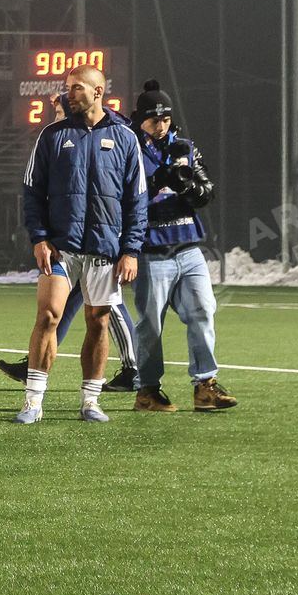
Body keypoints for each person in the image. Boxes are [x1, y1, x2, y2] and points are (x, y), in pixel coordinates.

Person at [15, 64, 146, 424]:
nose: (67, 94)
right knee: (48, 315)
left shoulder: (125, 138)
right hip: (61, 246)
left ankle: (90, 401)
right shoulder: (52, 135)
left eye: (76, 88)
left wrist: (130, 250)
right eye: (68, 87)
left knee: (98, 321)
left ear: (98, 92)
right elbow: (32, 191)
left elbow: (137, 200)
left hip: (104, 247)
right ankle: (32, 401)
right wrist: (40, 238)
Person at [131, 79, 237, 413]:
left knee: (203, 311)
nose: (160, 125)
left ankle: (205, 386)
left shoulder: (185, 147)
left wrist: (189, 187)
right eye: (153, 119)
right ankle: (148, 390)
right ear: (141, 119)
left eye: (165, 118)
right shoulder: (129, 148)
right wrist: (157, 182)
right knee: (151, 325)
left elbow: (207, 192)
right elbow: (123, 197)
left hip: (188, 248)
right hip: (150, 250)